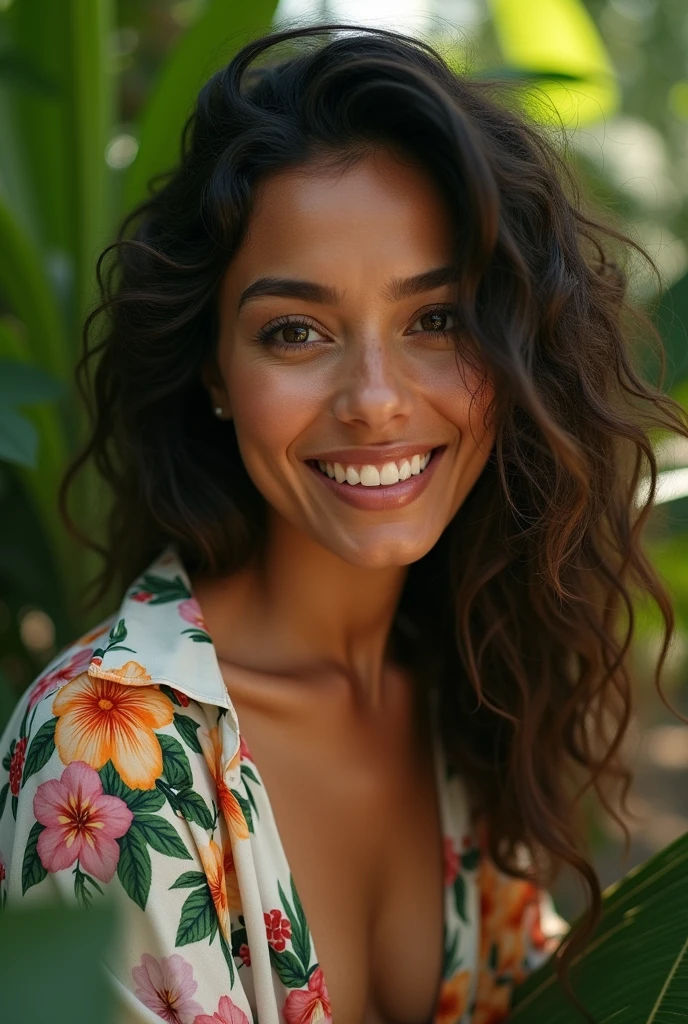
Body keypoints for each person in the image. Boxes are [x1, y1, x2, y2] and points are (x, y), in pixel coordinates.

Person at [0, 23, 684, 1024]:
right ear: (214, 373)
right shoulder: (109, 755)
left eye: (436, 319)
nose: (373, 399)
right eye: (295, 331)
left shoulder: (475, 686)